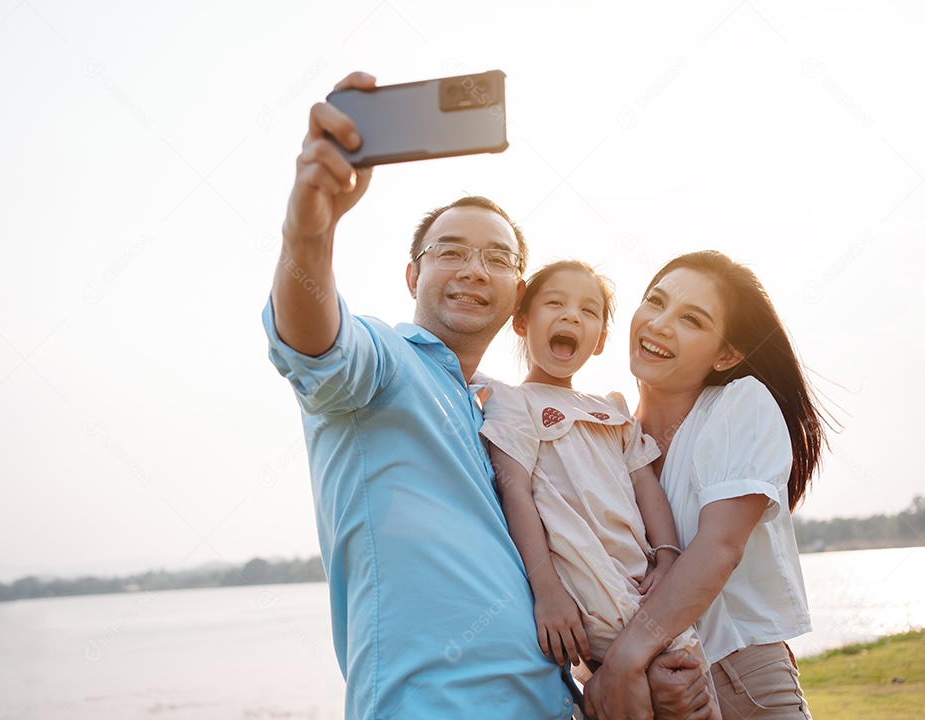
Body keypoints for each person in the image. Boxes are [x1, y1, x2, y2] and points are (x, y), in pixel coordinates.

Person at [264, 71, 712, 719]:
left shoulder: (497, 413)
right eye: (450, 252)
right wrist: (309, 230)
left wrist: (624, 678)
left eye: (497, 259)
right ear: (413, 275)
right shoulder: (382, 365)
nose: (475, 270)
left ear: (516, 293)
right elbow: (314, 343)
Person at [584, 251, 828, 720]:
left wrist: (624, 660)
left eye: (691, 319)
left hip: (739, 681)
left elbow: (720, 547)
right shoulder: (606, 436)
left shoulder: (738, 405)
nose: (660, 324)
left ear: (726, 354)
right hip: (644, 691)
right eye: (656, 301)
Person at [479, 260, 717, 715]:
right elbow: (516, 493)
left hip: (646, 592)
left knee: (694, 698)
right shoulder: (512, 402)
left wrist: (668, 556)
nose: (571, 316)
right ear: (522, 321)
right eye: (555, 303)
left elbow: (646, 485)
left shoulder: (612, 410)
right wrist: (546, 588)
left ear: (601, 339)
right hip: (588, 597)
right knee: (641, 698)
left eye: (588, 311)